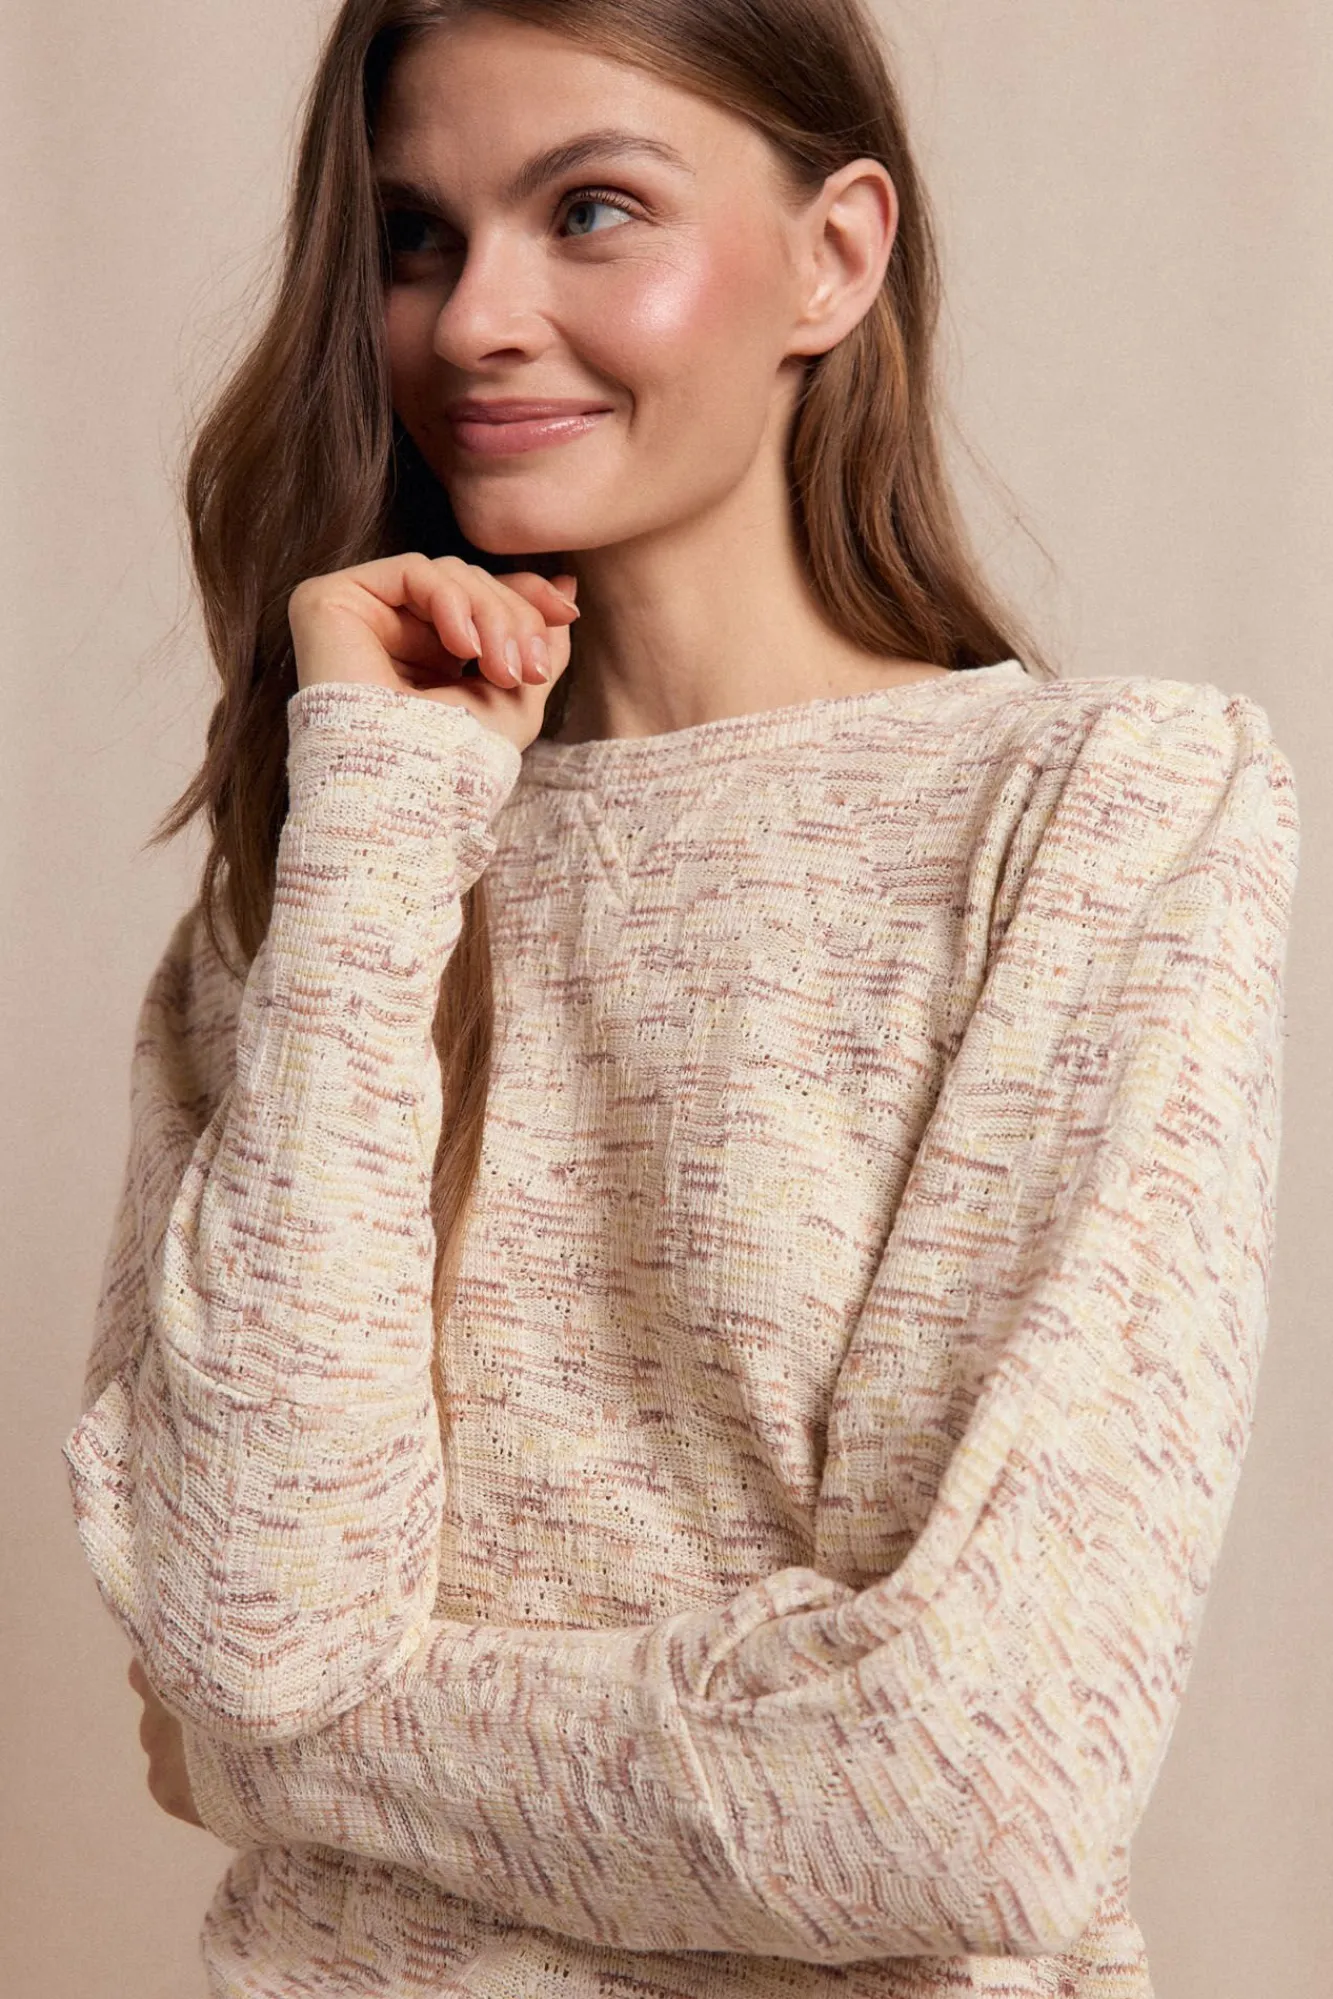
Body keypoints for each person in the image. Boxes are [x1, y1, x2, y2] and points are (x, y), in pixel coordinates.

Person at [62, 2, 1300, 1995]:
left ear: (836, 255)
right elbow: (250, 1619)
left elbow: (969, 1792)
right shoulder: (336, 869)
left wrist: (268, 1767)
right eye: (414, 237)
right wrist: (377, 827)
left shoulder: (1098, 812)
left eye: (590, 211)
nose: (476, 321)